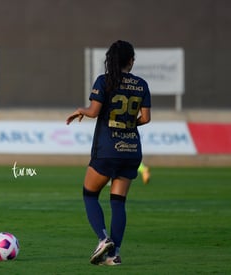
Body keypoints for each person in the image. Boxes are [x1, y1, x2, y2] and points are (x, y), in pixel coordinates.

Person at [66, 40, 151, 266]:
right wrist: (127, 124)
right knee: (118, 202)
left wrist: (80, 110)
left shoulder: (105, 81)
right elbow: (146, 118)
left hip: (107, 149)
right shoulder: (141, 84)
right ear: (130, 61)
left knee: (90, 194)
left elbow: (94, 112)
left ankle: (104, 239)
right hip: (132, 150)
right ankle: (114, 255)